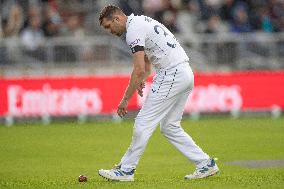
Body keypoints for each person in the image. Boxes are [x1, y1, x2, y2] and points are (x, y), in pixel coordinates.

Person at [98, 5, 219, 181]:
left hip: (171, 74)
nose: (110, 31)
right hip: (185, 72)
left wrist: (125, 99)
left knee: (143, 122)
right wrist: (141, 79)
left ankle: (126, 170)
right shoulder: (140, 22)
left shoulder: (133, 30)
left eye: (108, 26)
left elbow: (139, 69)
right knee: (169, 126)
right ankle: (205, 164)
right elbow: (145, 67)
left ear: (116, 19)